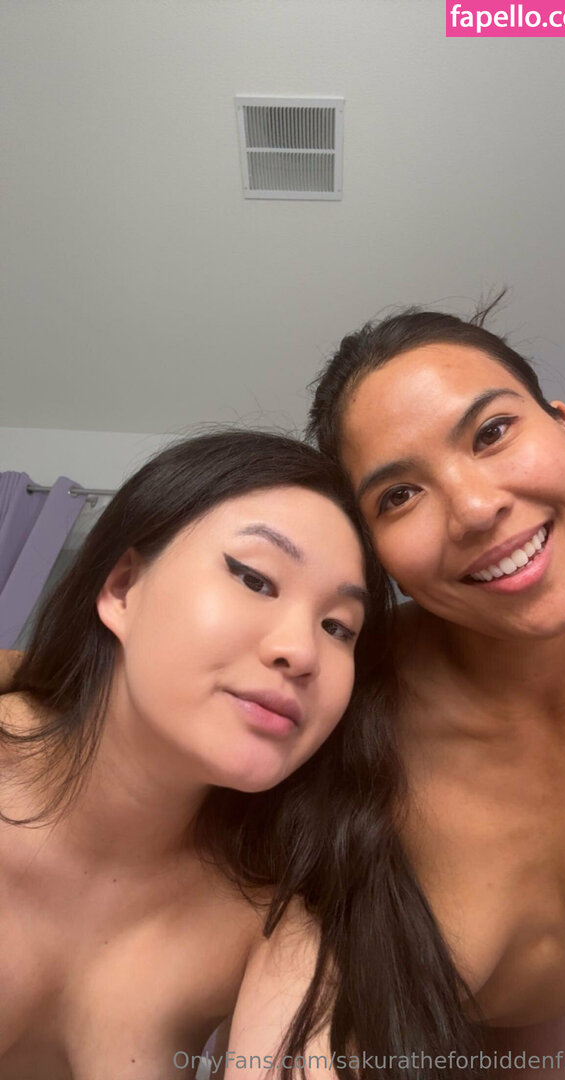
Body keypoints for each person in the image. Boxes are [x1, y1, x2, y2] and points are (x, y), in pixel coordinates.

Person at [0, 429, 473, 1080]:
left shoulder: (277, 909)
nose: (301, 652)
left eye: (339, 627)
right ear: (123, 587)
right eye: (255, 579)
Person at [306, 301, 565, 1079]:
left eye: (493, 432)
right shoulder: (345, 696)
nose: (476, 510)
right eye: (399, 496)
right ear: (375, 556)